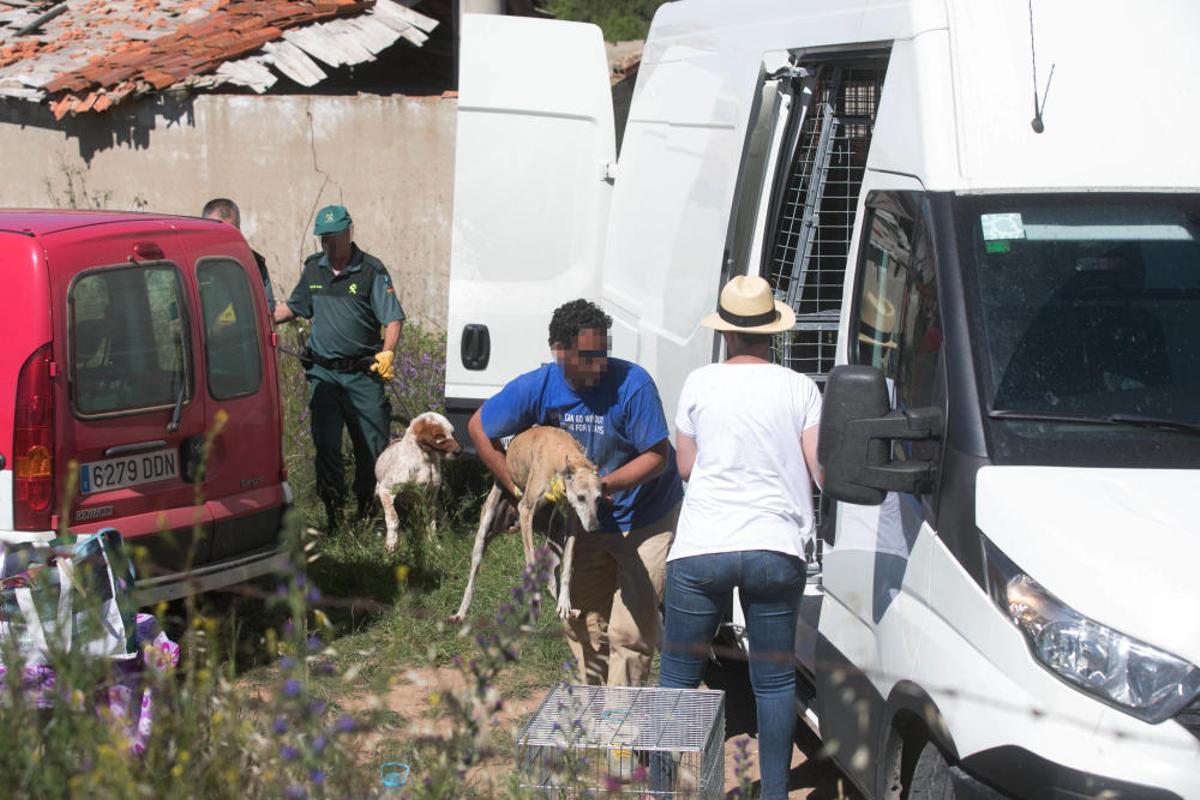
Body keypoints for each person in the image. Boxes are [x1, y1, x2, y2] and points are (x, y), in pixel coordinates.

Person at [656, 275, 821, 800]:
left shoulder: (700, 383)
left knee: (678, 679)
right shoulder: (800, 388)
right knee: (773, 683)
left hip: (702, 545)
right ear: (772, 332)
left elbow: (685, 468)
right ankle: (772, 794)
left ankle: (662, 788)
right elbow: (821, 473)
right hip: (775, 547)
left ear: (727, 333)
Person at [468, 299, 683, 687]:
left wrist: (606, 486)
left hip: (643, 519)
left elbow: (658, 455)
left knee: (630, 635)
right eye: (587, 355)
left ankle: (621, 740)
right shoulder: (540, 386)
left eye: (604, 352)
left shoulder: (633, 386)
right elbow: (479, 428)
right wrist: (517, 488)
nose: (599, 364)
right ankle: (595, 714)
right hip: (582, 526)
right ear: (559, 351)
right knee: (583, 625)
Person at [274, 205, 406, 529]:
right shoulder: (313, 270)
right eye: (324, 239)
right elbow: (293, 308)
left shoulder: (371, 271)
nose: (329, 246)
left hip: (363, 374)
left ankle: (369, 513)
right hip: (324, 376)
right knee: (327, 446)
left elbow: (393, 318)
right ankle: (334, 514)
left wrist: (387, 353)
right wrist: (254, 316)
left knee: (371, 448)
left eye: (334, 238)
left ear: (350, 232)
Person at [201, 197, 276, 312]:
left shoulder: (254, 264)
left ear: (239, 230)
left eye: (228, 232)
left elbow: (267, 310)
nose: (222, 240)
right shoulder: (194, 264)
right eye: (216, 232)